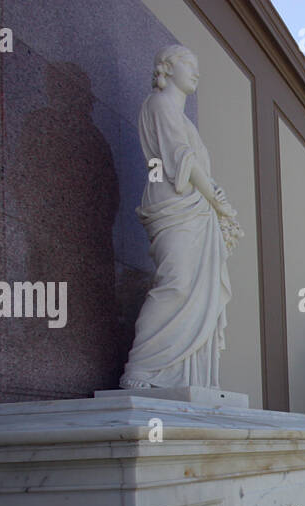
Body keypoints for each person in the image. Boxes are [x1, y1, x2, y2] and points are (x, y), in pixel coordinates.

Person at [120, 45, 241, 390]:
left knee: (193, 288)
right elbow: (180, 159)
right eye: (189, 63)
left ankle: (184, 374)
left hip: (195, 208)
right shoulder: (158, 105)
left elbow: (195, 165)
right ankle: (140, 367)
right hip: (173, 204)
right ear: (167, 68)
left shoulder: (184, 118)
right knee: (176, 283)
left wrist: (214, 198)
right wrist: (215, 199)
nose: (196, 71)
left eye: (198, 65)